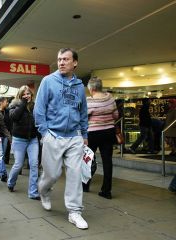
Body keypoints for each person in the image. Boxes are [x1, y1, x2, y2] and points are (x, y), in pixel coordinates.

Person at [34, 48, 88, 229]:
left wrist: (84, 135)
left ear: (75, 63)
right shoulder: (48, 81)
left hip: (74, 137)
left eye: (66, 59)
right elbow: (39, 109)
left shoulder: (80, 86)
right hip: (53, 135)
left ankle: (74, 212)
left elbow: (83, 112)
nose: (61, 62)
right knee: (53, 174)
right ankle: (43, 190)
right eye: (59, 59)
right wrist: (44, 133)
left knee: (75, 173)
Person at [83, 77, 119, 199]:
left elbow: (83, 119)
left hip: (93, 134)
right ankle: (106, 191)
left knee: (88, 160)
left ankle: (85, 185)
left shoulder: (89, 101)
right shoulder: (110, 98)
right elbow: (116, 115)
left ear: (92, 88)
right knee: (107, 162)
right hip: (109, 132)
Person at [7, 85, 40, 200]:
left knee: (34, 164)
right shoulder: (14, 105)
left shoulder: (35, 106)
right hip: (19, 140)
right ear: (20, 96)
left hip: (33, 140)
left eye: (28, 94)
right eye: (24, 94)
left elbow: (39, 121)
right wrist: (22, 103)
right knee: (18, 164)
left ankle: (33, 192)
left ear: (31, 94)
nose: (27, 96)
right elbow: (14, 117)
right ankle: (11, 182)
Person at [0, 97, 12, 182]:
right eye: (6, 102)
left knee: (3, 154)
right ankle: (3, 173)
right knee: (1, 155)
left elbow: (8, 124)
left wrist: (9, 135)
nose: (7, 103)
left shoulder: (7, 111)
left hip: (5, 136)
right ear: (1, 103)